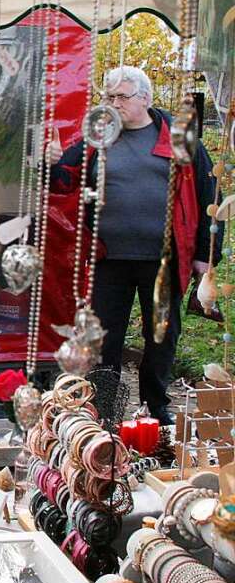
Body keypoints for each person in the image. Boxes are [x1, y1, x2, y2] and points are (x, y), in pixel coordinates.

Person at [48, 65, 221, 424]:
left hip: (164, 259)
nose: (113, 104)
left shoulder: (179, 137)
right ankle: (104, 411)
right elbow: (63, 182)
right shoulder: (99, 135)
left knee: (160, 337)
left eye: (121, 97)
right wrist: (51, 162)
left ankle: (155, 409)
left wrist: (207, 256)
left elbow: (209, 197)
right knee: (103, 340)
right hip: (108, 258)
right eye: (108, 97)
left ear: (145, 98)